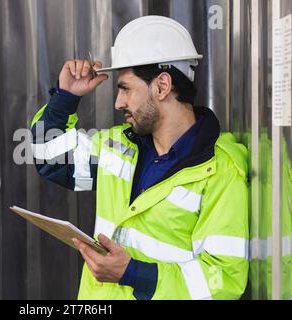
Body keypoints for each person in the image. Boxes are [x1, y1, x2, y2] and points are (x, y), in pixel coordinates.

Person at [30, 15, 249, 300]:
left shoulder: (220, 172)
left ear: (162, 86)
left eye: (125, 89)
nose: (119, 102)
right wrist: (65, 98)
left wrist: (133, 273)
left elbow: (223, 281)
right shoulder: (119, 146)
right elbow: (50, 159)